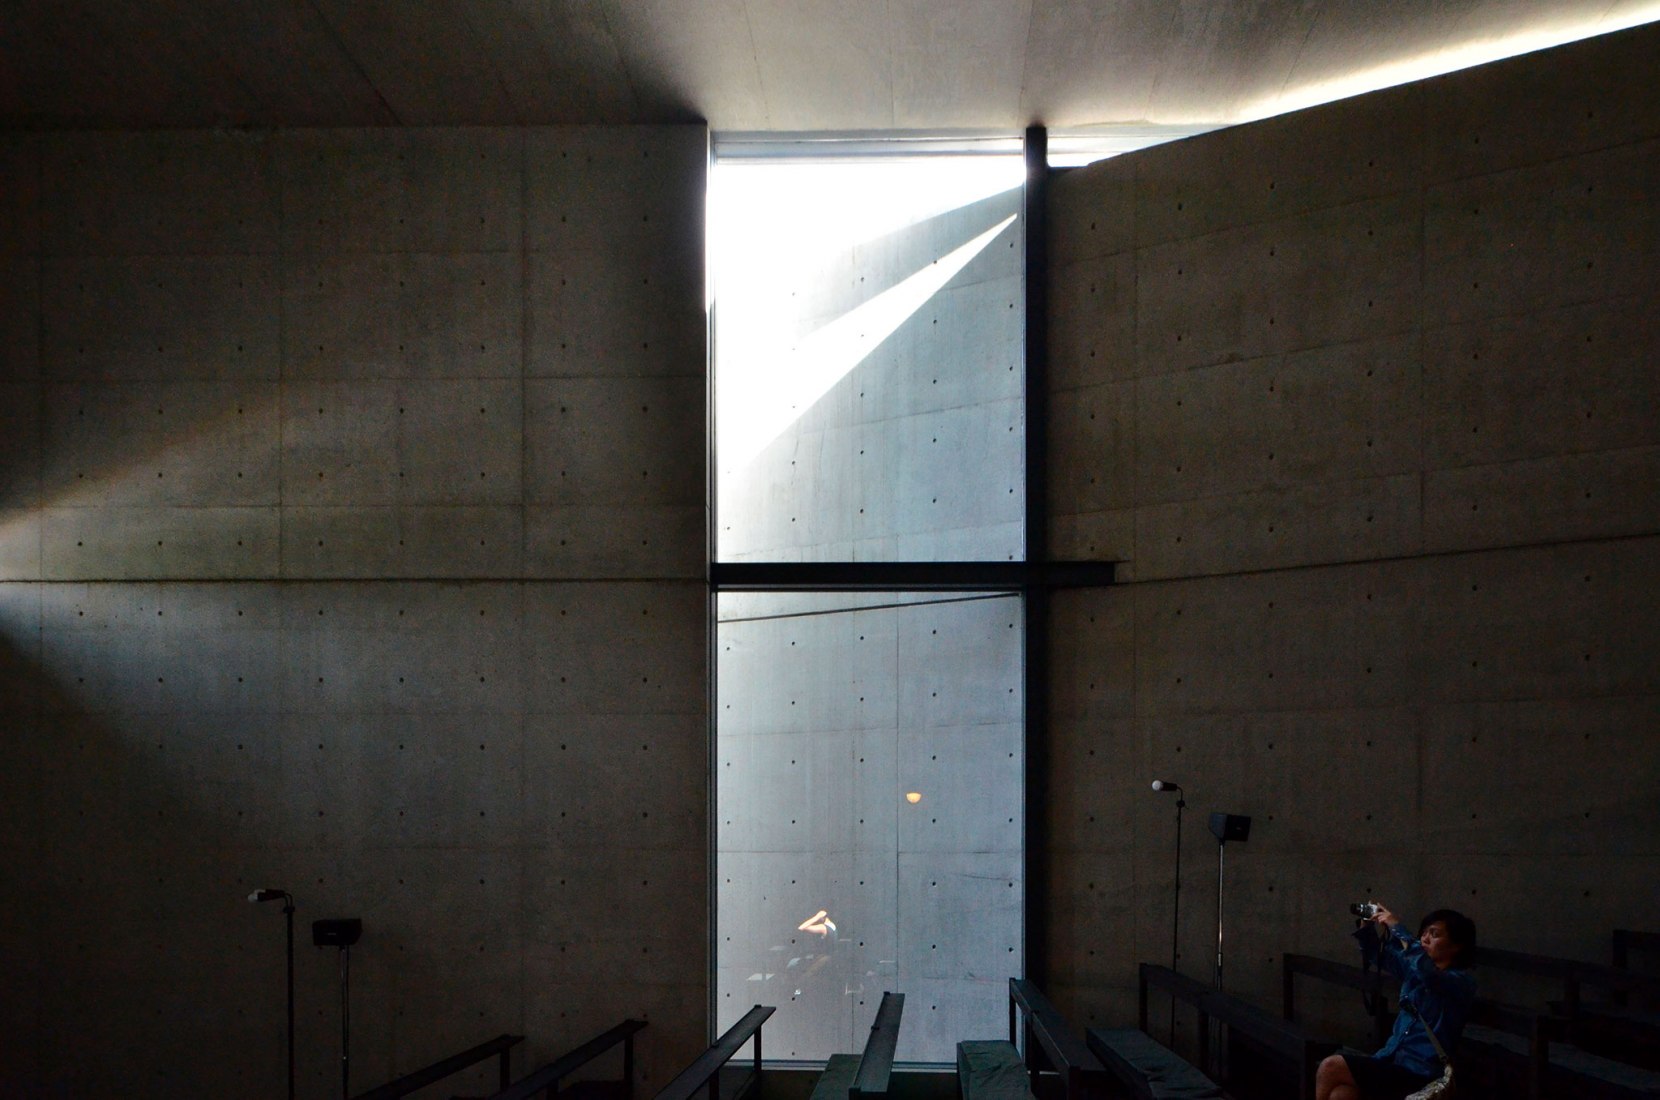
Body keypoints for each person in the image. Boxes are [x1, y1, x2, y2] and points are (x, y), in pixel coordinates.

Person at [1315, 903, 1478, 1100]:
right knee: (1342, 1094)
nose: (1424, 939)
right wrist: (1367, 925)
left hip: (1421, 1072)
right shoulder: (1414, 973)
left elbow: (1430, 976)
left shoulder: (1460, 982)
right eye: (1423, 933)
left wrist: (1397, 928)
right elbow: (1378, 955)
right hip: (1391, 1060)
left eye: (1434, 934)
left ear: (1456, 945)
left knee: (1331, 1066)